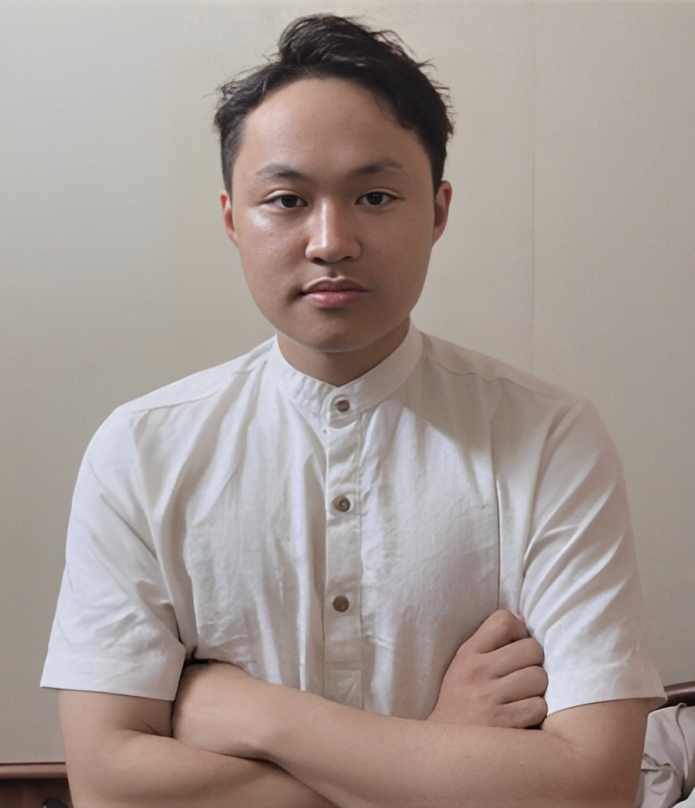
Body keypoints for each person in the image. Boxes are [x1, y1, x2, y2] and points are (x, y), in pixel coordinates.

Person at [42, 14, 664, 808]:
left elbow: (593, 785)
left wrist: (259, 714)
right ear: (232, 218)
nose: (330, 241)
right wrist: (438, 743)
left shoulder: (547, 438)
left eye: (374, 196)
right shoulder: (141, 450)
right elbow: (107, 787)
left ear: (436, 211)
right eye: (286, 200)